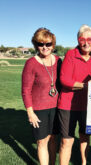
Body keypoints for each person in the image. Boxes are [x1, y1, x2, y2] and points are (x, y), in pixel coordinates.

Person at [57, 24, 91, 165]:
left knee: (85, 137)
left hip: (89, 105)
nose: (86, 42)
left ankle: (84, 163)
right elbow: (64, 79)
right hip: (68, 105)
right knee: (67, 140)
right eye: (83, 39)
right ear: (78, 39)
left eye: (90, 39)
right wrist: (85, 86)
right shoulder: (71, 54)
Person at [22, 28, 62, 165]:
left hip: (57, 107)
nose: (44, 47)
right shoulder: (31, 63)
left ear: (53, 45)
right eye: (40, 44)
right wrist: (30, 112)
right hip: (39, 109)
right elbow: (26, 90)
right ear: (36, 45)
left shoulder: (58, 61)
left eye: (48, 44)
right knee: (42, 141)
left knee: (53, 139)